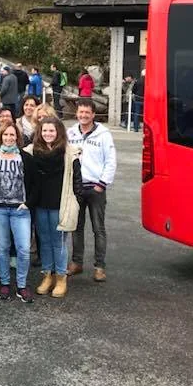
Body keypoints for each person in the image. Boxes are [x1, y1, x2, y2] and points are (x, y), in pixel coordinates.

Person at [0, 123, 37, 302]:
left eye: (12, 135)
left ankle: (22, 285)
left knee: (23, 249)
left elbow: (36, 184)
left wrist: (28, 203)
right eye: (5, 135)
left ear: (17, 137)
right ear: (1, 136)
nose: (9, 138)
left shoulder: (25, 157)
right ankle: (5, 283)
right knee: (3, 248)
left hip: (19, 210)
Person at [32, 117, 82, 298]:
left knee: (58, 242)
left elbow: (77, 182)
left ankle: (61, 277)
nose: (47, 134)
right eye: (44, 130)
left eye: (51, 130)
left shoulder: (69, 153)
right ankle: (48, 275)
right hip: (40, 204)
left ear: (59, 132)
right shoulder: (32, 151)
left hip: (59, 205)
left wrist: (75, 202)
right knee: (44, 242)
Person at [67, 98, 117, 282]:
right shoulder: (71, 133)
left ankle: (99, 266)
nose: (83, 115)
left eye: (87, 112)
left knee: (98, 228)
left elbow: (110, 161)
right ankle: (77, 262)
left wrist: (101, 184)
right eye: (81, 112)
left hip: (96, 187)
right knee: (76, 227)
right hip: (77, 188)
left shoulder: (103, 134)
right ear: (76, 113)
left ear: (93, 115)